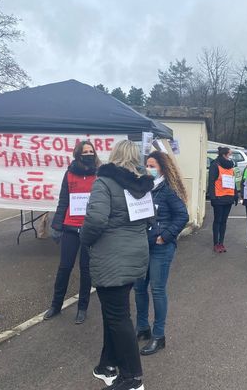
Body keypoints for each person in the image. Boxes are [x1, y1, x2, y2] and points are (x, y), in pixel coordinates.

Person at [80, 140, 154, 390]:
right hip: (135, 254)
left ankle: (133, 379)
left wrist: (85, 239)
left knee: (117, 316)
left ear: (114, 155)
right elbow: (149, 218)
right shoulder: (143, 185)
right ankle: (107, 365)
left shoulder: (104, 182)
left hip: (111, 256)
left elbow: (96, 220)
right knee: (114, 313)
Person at [134, 151, 189, 356]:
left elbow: (182, 215)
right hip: (142, 246)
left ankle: (159, 335)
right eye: (146, 165)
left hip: (160, 247)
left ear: (162, 168)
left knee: (157, 290)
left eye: (152, 165)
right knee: (139, 289)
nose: (149, 169)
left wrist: (165, 236)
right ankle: (142, 328)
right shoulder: (142, 189)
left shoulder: (168, 189)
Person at [44, 141, 99, 323]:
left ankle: (82, 308)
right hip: (70, 227)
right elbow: (63, 201)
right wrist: (57, 225)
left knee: (86, 269)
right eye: (85, 152)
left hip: (89, 228)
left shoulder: (99, 175)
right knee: (64, 267)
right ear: (78, 154)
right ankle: (56, 305)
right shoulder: (69, 174)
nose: (89, 154)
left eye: (91, 151)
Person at [208, 146, 238, 253]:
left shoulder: (230, 167)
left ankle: (221, 243)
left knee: (224, 221)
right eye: (230, 154)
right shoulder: (215, 165)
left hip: (228, 197)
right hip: (218, 198)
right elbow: (211, 182)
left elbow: (233, 182)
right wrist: (212, 197)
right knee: (218, 220)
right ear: (224, 155)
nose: (231, 156)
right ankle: (216, 243)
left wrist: (235, 195)